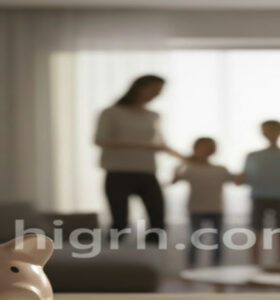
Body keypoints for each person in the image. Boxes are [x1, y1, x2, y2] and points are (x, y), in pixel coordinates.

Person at [94, 75, 182, 243]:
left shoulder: (153, 115)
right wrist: (145, 146)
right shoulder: (111, 113)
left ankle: (152, 255)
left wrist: (188, 159)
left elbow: (161, 144)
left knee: (158, 222)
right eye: (154, 90)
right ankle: (113, 256)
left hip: (147, 172)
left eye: (159, 91)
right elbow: (100, 140)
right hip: (118, 173)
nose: (157, 94)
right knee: (120, 223)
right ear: (139, 87)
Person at [172, 137, 240, 267]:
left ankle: (217, 269)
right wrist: (183, 162)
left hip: (216, 208)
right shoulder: (190, 168)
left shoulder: (220, 169)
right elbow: (174, 180)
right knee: (196, 238)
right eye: (205, 147)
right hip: (196, 209)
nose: (208, 149)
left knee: (217, 240)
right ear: (195, 148)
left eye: (211, 147)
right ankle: (190, 268)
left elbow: (237, 181)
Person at [243, 120, 280, 265]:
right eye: (266, 130)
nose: (270, 134)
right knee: (256, 231)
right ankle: (254, 267)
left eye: (273, 130)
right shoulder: (252, 156)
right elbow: (246, 177)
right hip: (258, 196)